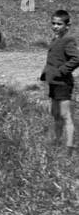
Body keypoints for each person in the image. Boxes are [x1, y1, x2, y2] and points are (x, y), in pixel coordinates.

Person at [41, 9, 79, 150]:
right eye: (54, 23)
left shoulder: (68, 41)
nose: (55, 26)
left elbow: (76, 58)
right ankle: (57, 141)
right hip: (54, 82)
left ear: (67, 26)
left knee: (65, 115)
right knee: (55, 114)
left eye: (59, 24)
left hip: (63, 83)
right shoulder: (56, 39)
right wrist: (46, 73)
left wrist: (61, 71)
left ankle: (69, 146)